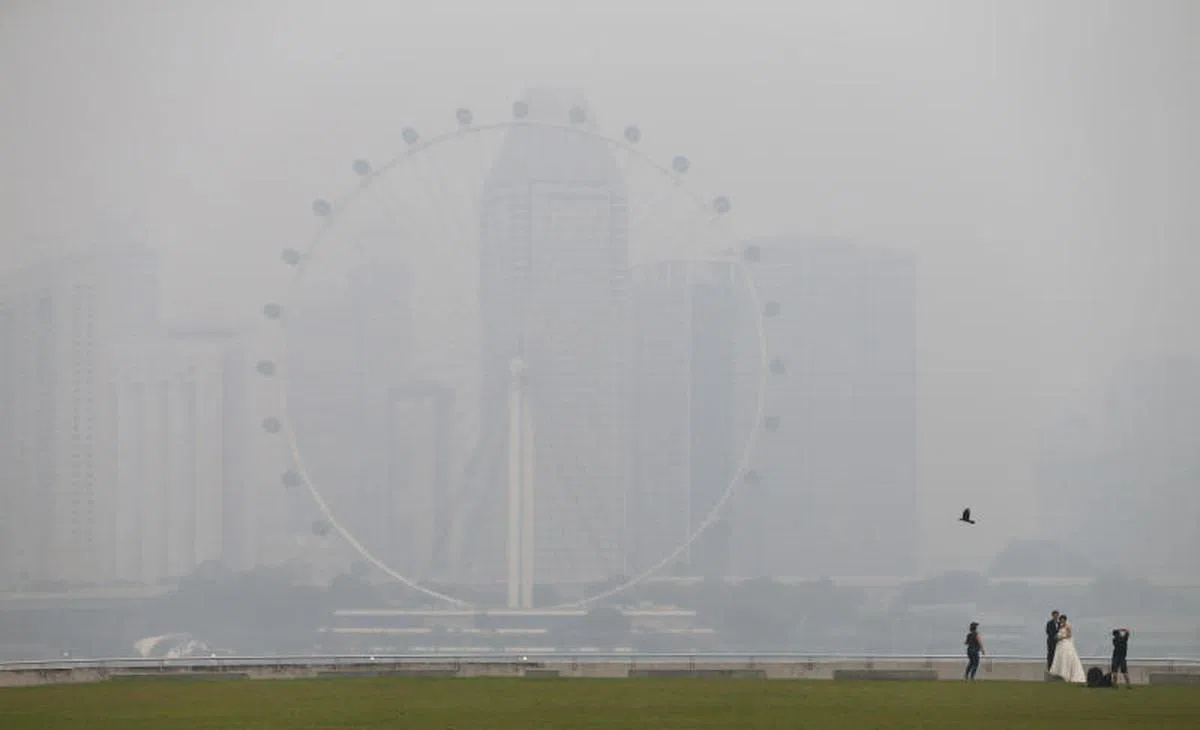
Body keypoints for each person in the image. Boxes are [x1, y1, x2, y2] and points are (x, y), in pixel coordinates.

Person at [1049, 613, 1086, 684]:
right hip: (1060, 644)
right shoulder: (1060, 626)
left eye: (1063, 620)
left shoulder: (1067, 626)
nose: (1062, 621)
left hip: (1065, 643)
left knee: (1066, 657)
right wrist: (1057, 637)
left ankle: (1066, 674)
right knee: (1060, 657)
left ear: (1065, 620)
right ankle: (1059, 673)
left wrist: (1061, 637)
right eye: (1061, 620)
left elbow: (1069, 635)